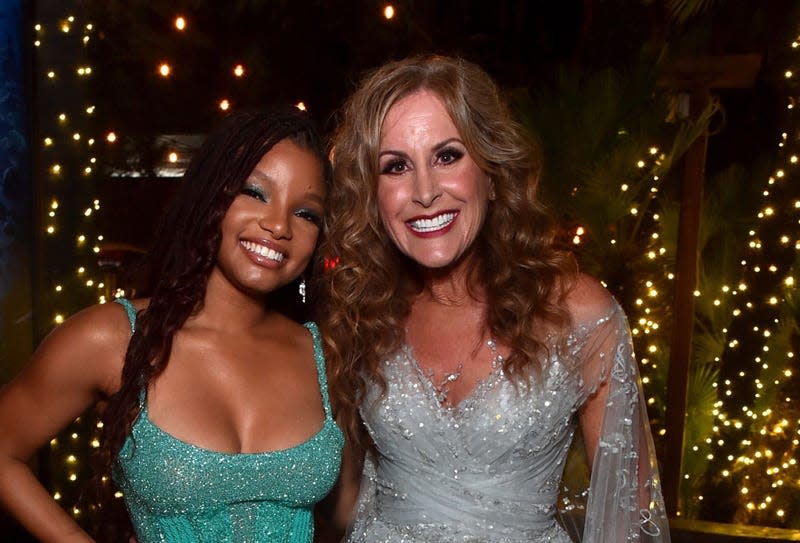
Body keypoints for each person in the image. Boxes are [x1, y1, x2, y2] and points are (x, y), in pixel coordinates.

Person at [320, 55, 671, 542]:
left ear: (492, 169)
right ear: (372, 195)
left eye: (447, 156)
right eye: (395, 166)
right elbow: (343, 501)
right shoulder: (363, 311)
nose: (424, 192)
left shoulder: (580, 315)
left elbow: (627, 519)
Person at [0, 106, 344, 543]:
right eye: (255, 192)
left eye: (306, 213)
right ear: (211, 195)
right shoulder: (114, 338)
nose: (278, 225)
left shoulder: (323, 354)